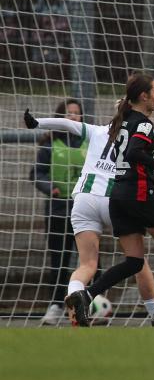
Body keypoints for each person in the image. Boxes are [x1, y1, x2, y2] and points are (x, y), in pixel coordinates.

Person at [63, 73, 154, 327]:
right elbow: (133, 153)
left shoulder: (124, 121)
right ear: (143, 96)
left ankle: (86, 294)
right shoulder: (143, 123)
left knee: (134, 261)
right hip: (139, 195)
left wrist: (153, 143)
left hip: (118, 195)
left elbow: (132, 149)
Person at [24, 108, 154, 325]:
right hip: (113, 201)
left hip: (83, 201)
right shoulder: (137, 137)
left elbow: (68, 125)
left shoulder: (96, 131)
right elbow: (148, 174)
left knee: (87, 264)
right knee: (138, 261)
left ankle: (74, 316)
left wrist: (37, 122)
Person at [29, 99, 86, 325]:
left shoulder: (88, 143)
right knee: (59, 260)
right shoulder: (50, 145)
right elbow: (37, 173)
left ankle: (92, 302)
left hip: (84, 210)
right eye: (69, 113)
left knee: (91, 260)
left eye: (77, 113)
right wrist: (48, 187)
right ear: (61, 117)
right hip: (58, 210)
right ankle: (55, 305)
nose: (73, 117)